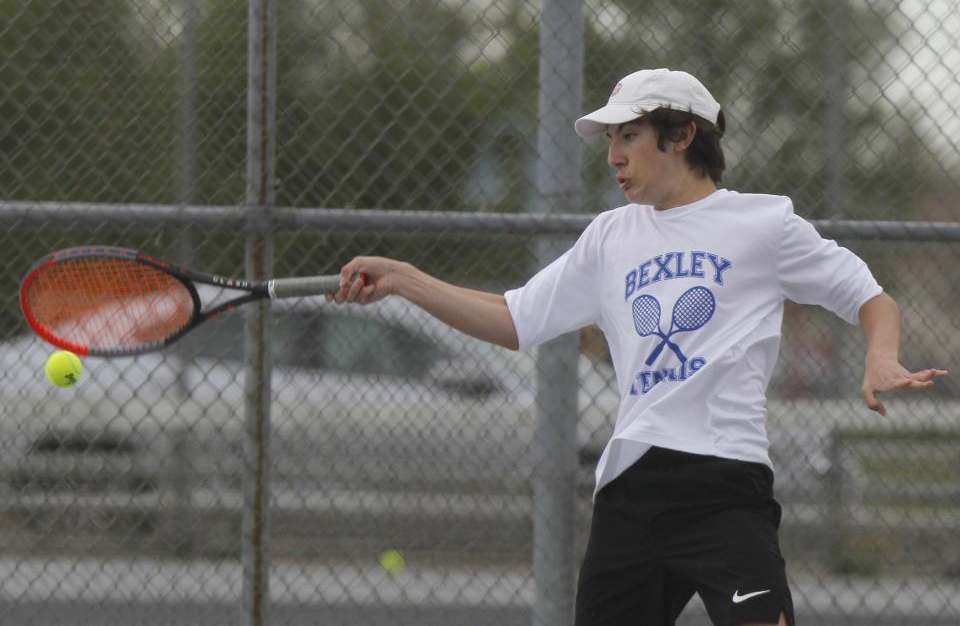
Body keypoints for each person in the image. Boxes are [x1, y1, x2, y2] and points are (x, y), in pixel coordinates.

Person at [329, 68, 948, 626]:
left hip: (723, 484)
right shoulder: (609, 236)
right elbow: (515, 319)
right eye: (610, 141)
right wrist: (406, 281)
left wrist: (881, 355)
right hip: (631, 488)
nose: (613, 157)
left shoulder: (764, 224)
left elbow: (870, 297)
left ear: (680, 135)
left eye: (628, 136)